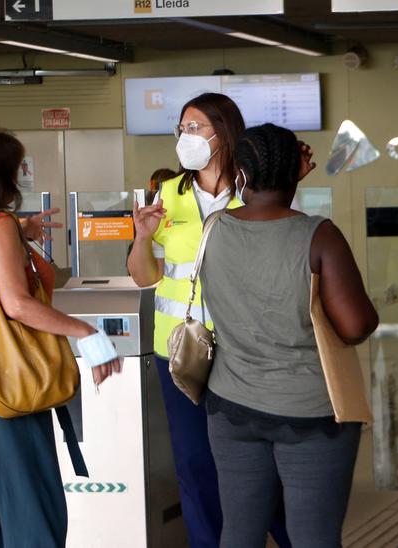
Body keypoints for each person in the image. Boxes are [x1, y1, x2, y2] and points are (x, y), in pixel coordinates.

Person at [127, 93, 302, 548]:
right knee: (195, 465)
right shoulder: (168, 194)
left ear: (224, 133)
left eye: (195, 127)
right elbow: (145, 277)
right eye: (181, 128)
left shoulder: (256, 188)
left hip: (245, 352)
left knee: (263, 466)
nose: (185, 137)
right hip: (182, 352)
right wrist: (142, 239)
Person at [0, 128, 122, 547]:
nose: (22, 174)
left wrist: (20, 231)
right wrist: (86, 331)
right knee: (29, 497)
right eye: (16, 165)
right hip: (5, 373)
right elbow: (16, 304)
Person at [201, 123, 378, 548]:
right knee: (312, 536)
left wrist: (276, 181)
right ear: (296, 171)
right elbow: (356, 326)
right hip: (310, 412)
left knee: (240, 532)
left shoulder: (214, 227)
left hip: (231, 405)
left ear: (239, 172)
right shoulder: (319, 235)